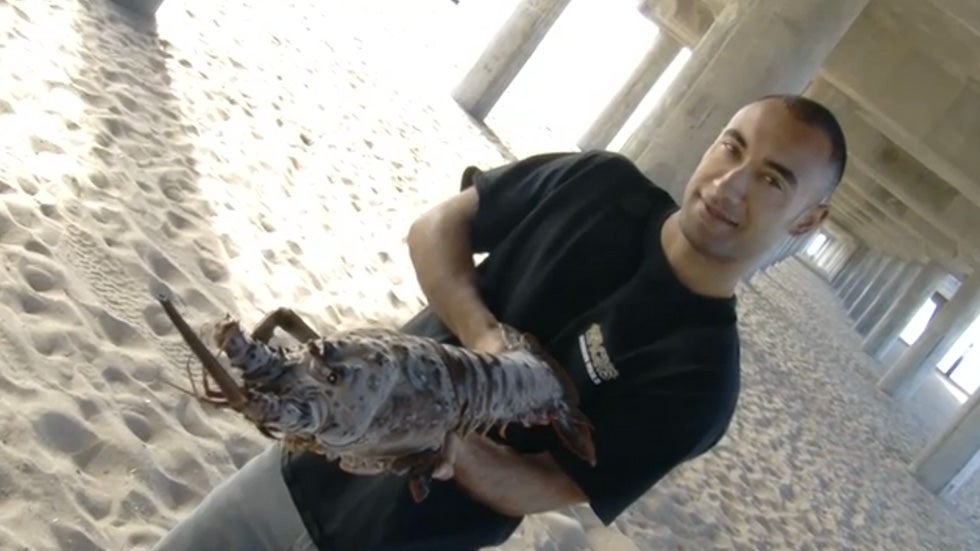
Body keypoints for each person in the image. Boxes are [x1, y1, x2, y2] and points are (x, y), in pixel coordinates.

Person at [152, 93, 846, 551]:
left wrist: (444, 435)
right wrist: (485, 336)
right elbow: (435, 228)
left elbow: (546, 485)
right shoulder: (598, 184)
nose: (730, 183)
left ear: (808, 220)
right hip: (296, 472)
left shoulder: (702, 378)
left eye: (773, 179)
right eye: (732, 146)